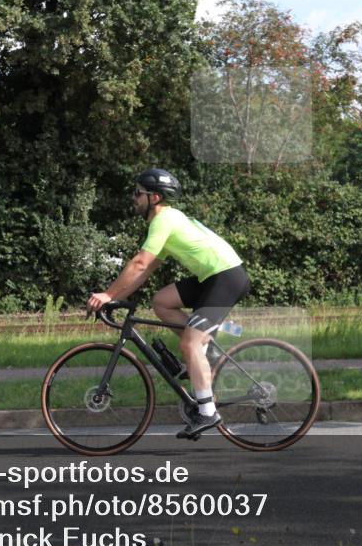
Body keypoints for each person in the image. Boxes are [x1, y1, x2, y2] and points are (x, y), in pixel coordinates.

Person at [87, 169, 250, 438]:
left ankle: (207, 413)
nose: (133, 198)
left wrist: (107, 294)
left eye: (138, 193)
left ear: (155, 197)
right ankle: (204, 344)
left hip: (225, 277)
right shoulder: (167, 221)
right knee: (161, 301)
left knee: (189, 342)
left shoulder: (164, 220)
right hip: (213, 277)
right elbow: (145, 269)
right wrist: (117, 296)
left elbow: (139, 263)